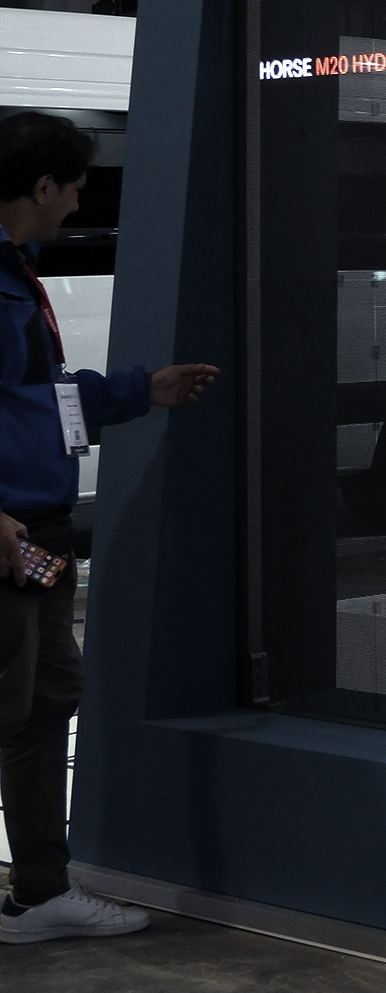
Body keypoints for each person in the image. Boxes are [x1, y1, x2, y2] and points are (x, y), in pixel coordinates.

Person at [0, 111, 218, 945]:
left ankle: (39, 892)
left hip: (42, 533)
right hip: (11, 535)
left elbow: (41, 401)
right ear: (43, 186)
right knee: (12, 701)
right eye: (78, 182)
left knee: (46, 699)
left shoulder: (20, 273)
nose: (85, 196)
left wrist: (143, 392)